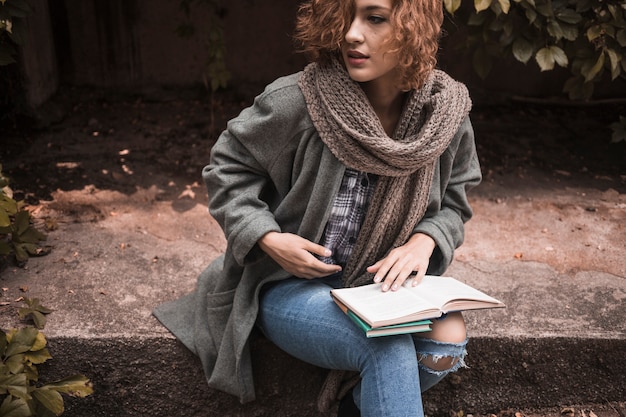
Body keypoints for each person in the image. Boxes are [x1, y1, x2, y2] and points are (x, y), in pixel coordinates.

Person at [153, 0, 482, 415]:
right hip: (289, 286)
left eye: (374, 18)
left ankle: (358, 407)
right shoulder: (299, 101)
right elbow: (226, 169)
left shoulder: (444, 115)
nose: (351, 34)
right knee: (385, 344)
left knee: (448, 338)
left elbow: (455, 200)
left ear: (413, 28)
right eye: (347, 17)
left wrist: (424, 241)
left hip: (381, 289)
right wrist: (267, 238)